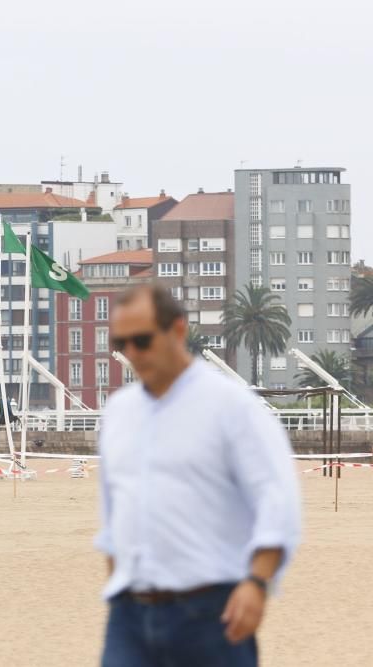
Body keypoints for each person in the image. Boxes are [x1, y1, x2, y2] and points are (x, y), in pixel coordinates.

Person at [96, 285, 301, 667]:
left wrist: (257, 584)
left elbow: (277, 500)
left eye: (142, 340)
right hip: (129, 616)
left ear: (177, 330)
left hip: (210, 613)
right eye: (121, 343)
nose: (132, 353)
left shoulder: (232, 407)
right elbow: (112, 513)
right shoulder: (118, 412)